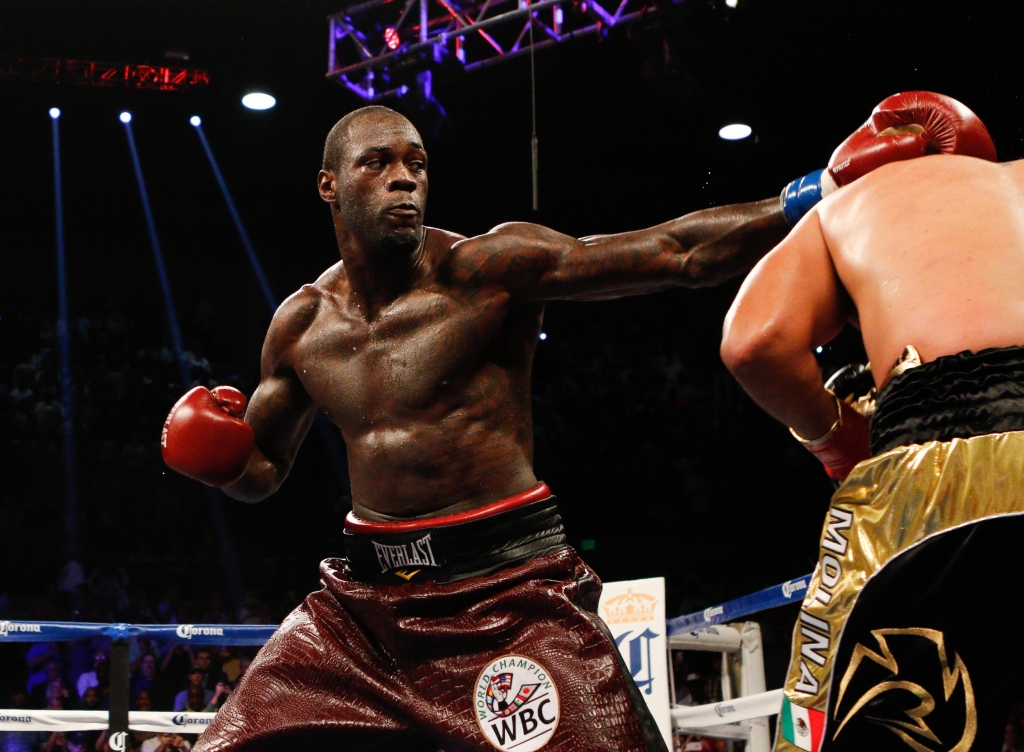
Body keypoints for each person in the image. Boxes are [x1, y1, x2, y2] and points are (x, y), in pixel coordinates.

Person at [163, 100, 927, 751]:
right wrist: (217, 457)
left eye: (417, 163)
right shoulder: (299, 326)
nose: (405, 178)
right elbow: (261, 473)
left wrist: (818, 191)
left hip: (509, 597)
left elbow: (675, 254)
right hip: (362, 612)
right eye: (379, 164)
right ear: (329, 185)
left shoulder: (488, 271)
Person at [720, 92, 1019, 751]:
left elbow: (753, 343)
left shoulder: (850, 206)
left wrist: (838, 439)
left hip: (933, 465)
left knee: (819, 724)